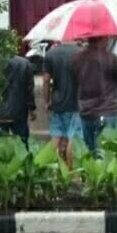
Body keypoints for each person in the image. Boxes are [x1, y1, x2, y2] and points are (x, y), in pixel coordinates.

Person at [75, 35, 117, 153]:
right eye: (106, 37)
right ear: (102, 39)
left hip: (85, 112)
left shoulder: (78, 58)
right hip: (107, 111)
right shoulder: (110, 58)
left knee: (88, 153)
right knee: (106, 153)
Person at [43, 37, 82, 168]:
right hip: (76, 104)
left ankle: (52, 169)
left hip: (57, 103)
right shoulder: (82, 53)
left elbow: (46, 80)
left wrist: (46, 101)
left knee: (56, 138)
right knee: (73, 139)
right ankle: (70, 173)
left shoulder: (50, 54)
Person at [0, 51, 36, 146]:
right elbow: (29, 89)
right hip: (19, 109)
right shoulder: (25, 63)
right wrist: (31, 109)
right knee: (22, 142)